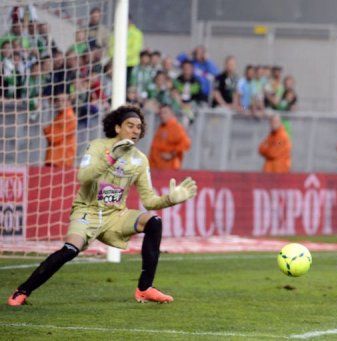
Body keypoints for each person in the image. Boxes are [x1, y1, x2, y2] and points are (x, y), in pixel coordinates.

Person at [7, 105, 198, 306]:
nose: (135, 131)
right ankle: (22, 290)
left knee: (154, 221)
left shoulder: (139, 160)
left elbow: (149, 201)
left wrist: (170, 199)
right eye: (130, 126)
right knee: (70, 250)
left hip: (115, 216)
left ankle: (144, 288)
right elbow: (83, 176)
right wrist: (112, 157)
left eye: (138, 127)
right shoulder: (98, 146)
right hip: (86, 212)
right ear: (117, 128)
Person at [149, 105, 191, 170]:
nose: (162, 115)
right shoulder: (162, 127)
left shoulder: (175, 127)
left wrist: (172, 154)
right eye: (161, 113)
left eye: (165, 112)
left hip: (169, 168)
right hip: (156, 167)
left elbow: (186, 143)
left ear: (172, 113)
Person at [43, 94, 77, 168]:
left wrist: (46, 128)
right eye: (58, 100)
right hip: (55, 159)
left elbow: (53, 137)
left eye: (62, 100)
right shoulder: (61, 115)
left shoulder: (68, 116)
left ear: (69, 102)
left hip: (61, 161)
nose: (59, 103)